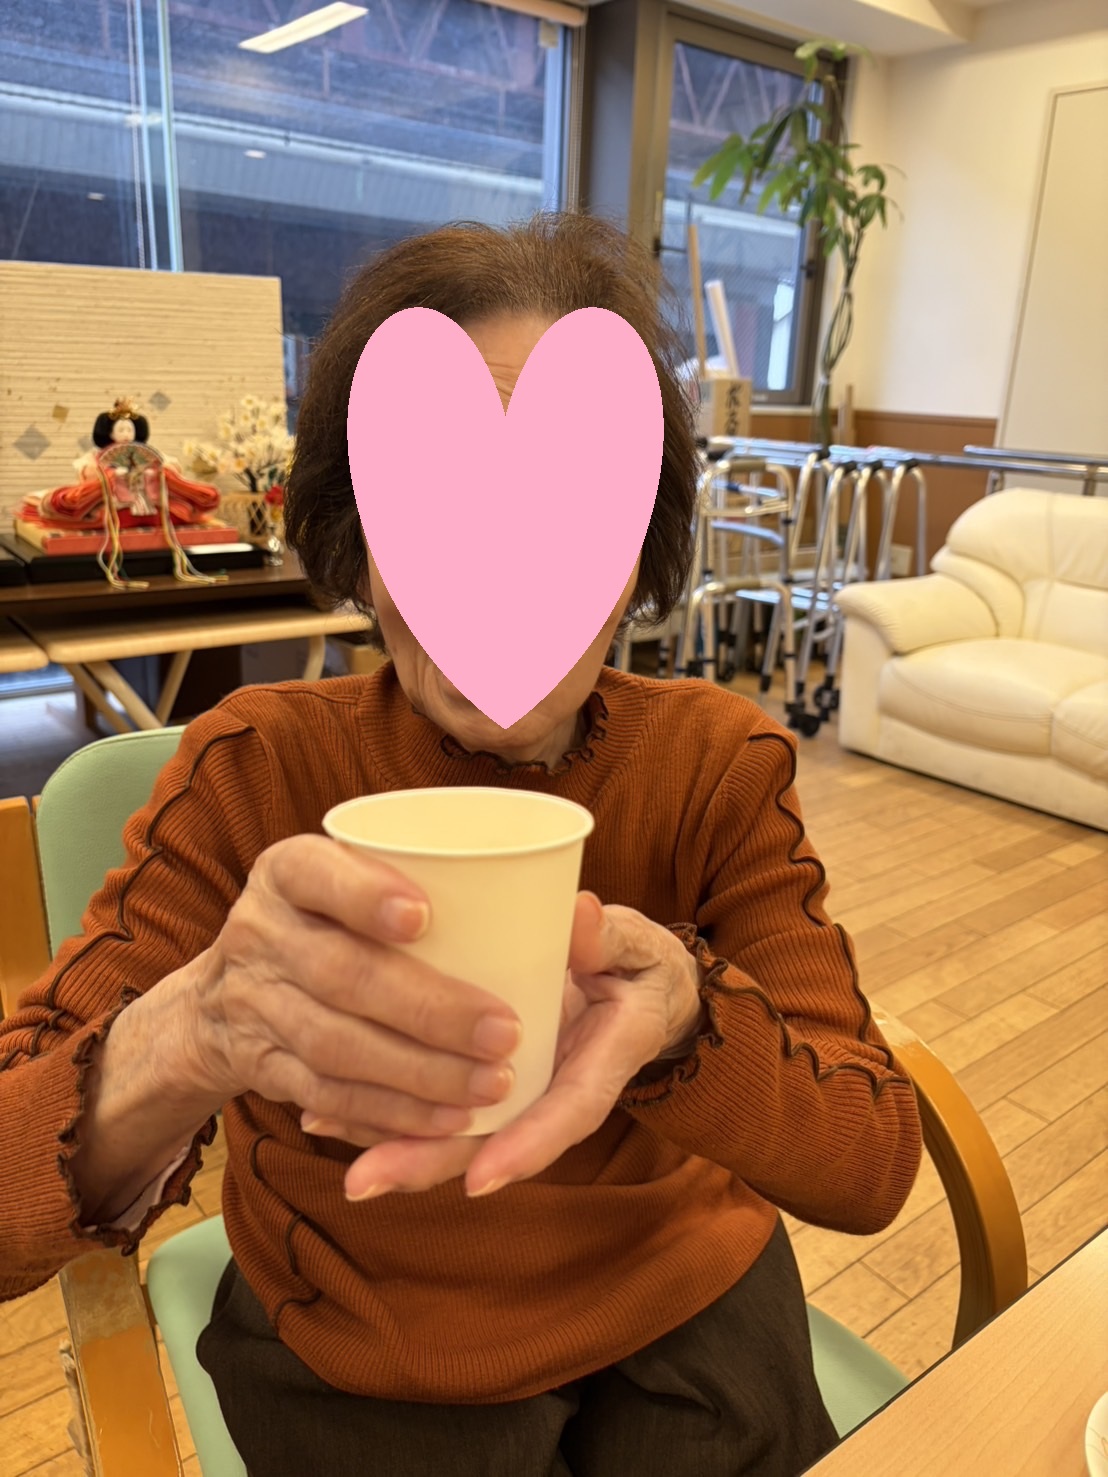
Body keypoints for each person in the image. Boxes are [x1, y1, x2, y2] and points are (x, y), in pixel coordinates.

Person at [0, 214, 921, 1477]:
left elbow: (871, 1159)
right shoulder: (255, 772)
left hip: (689, 1308)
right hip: (364, 1349)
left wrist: (688, 1013)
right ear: (359, 537)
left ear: (637, 548)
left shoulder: (715, 764)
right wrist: (195, 1029)